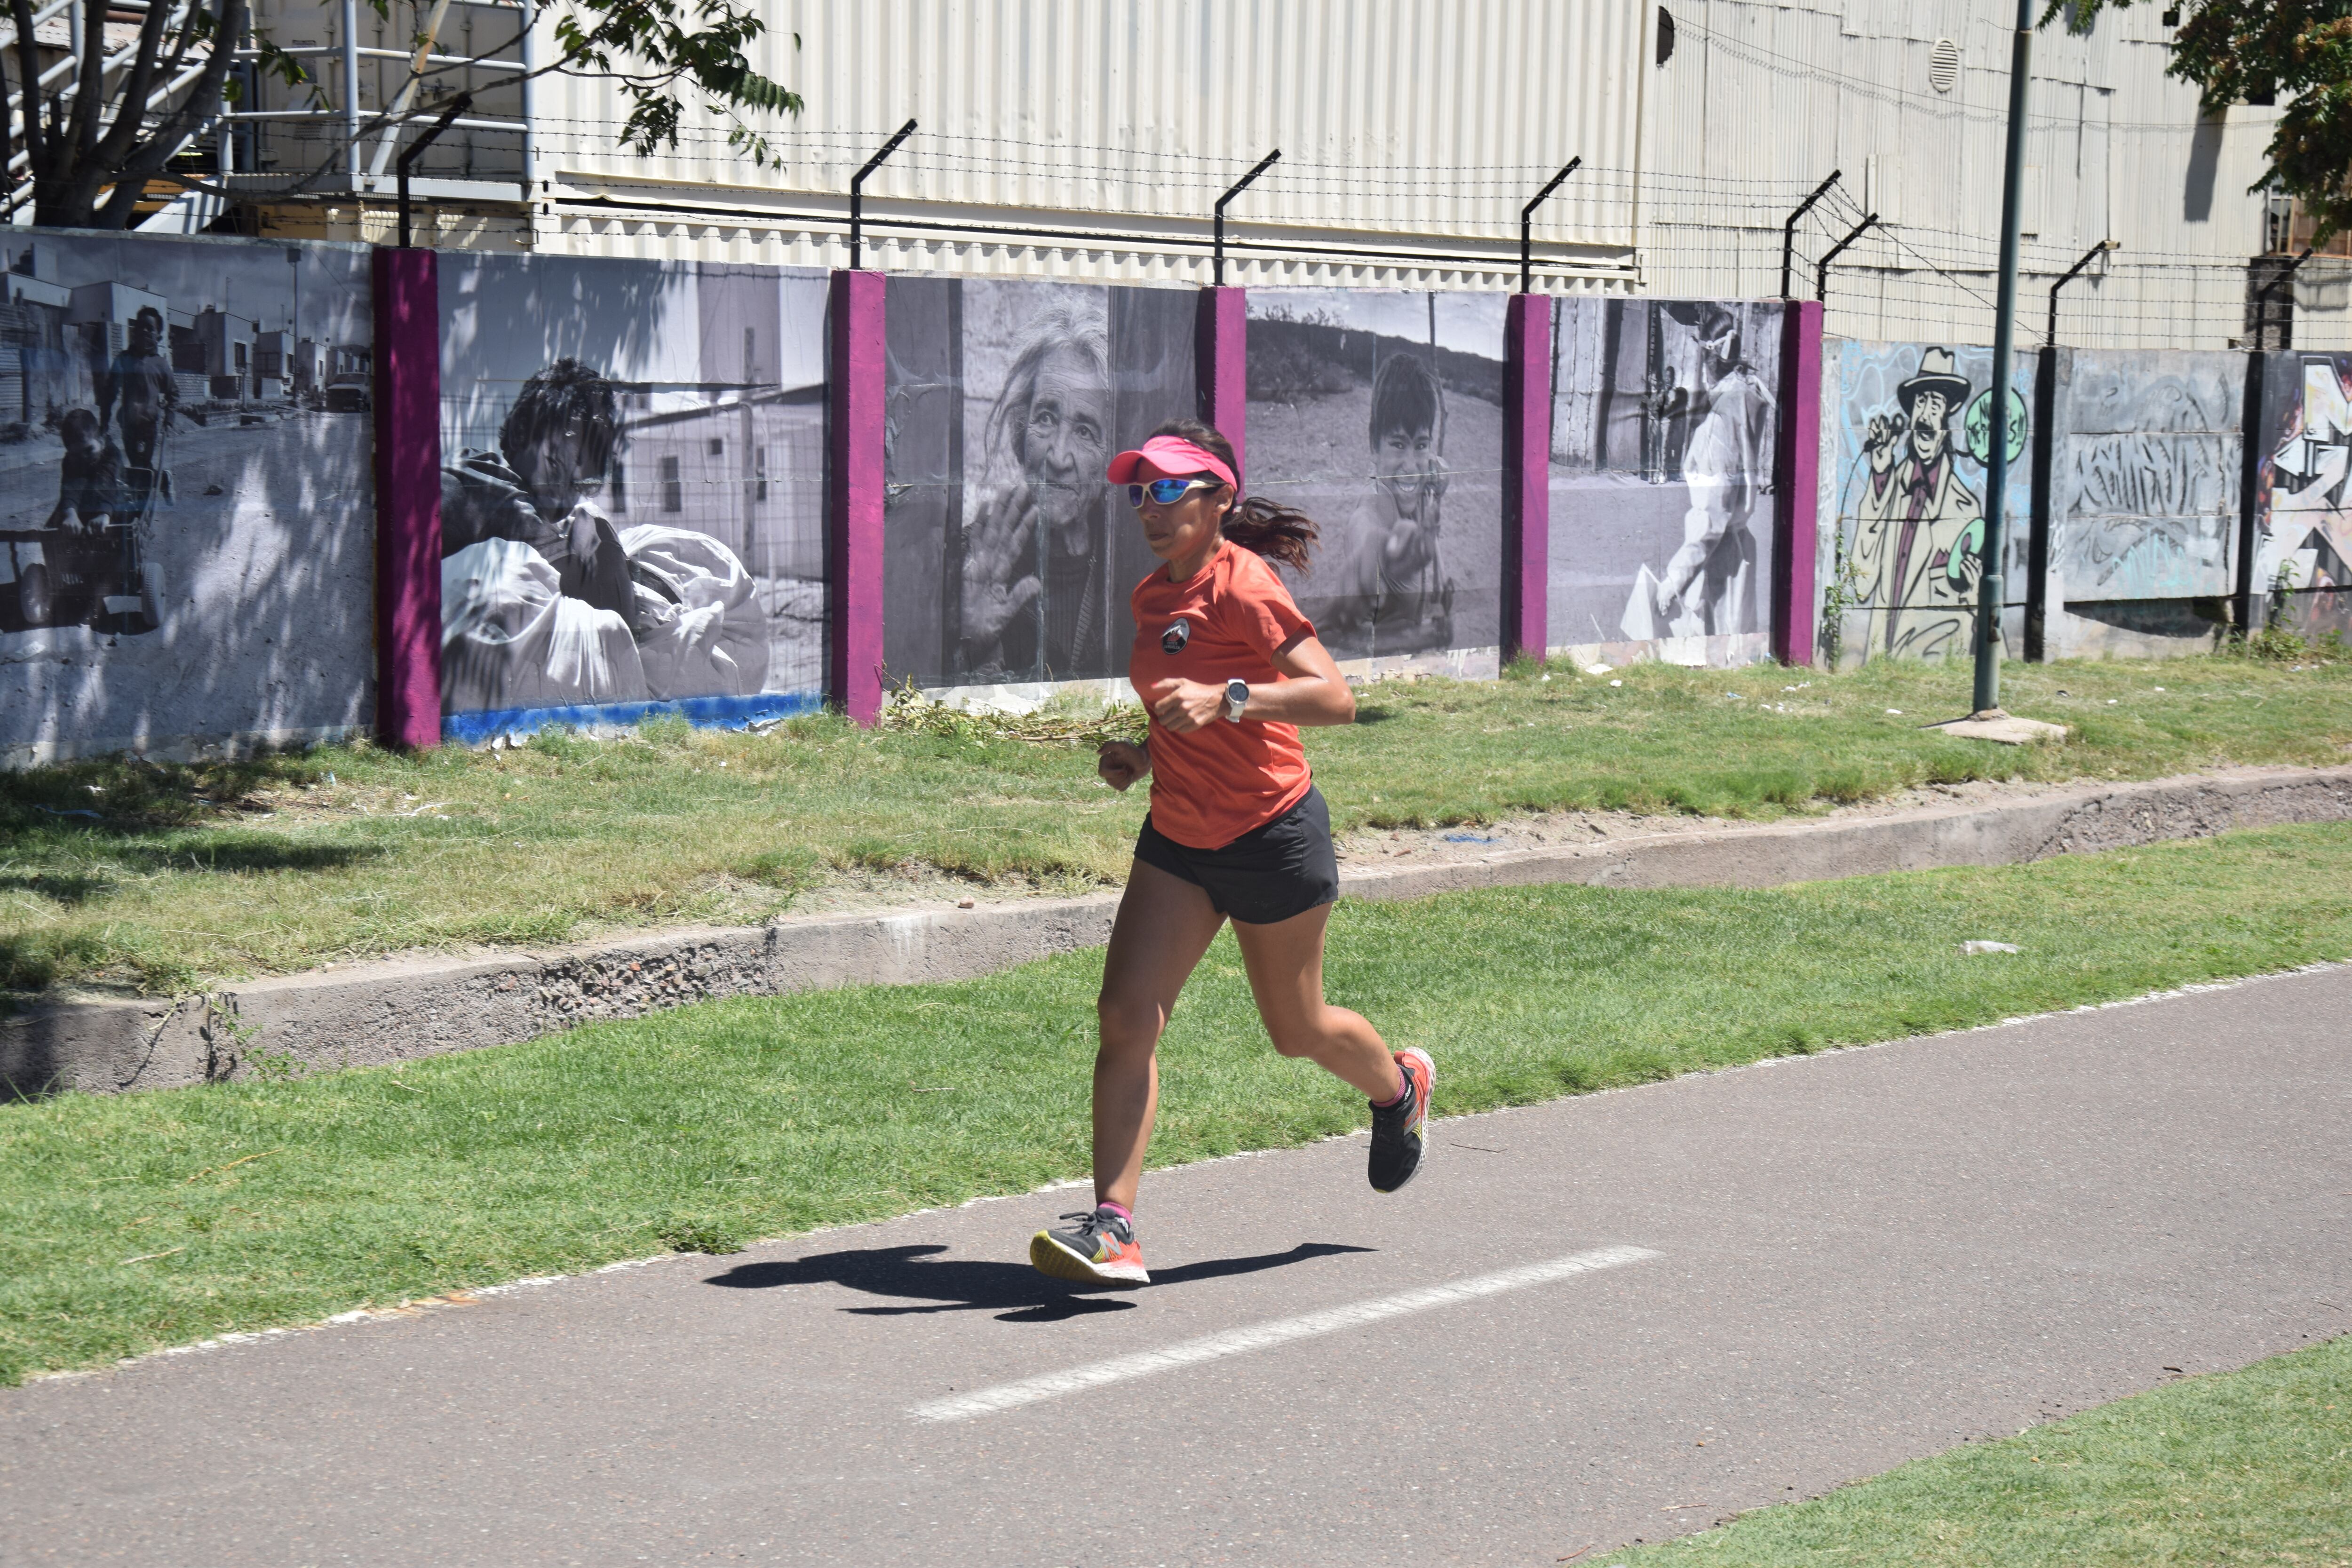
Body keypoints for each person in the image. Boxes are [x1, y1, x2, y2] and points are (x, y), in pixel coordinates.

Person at [1028, 418, 1434, 1288]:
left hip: (1271, 833)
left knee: (1299, 1031)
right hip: (1179, 832)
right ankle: (1114, 1228)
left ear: (1219, 497)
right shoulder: (1152, 594)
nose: (1150, 506)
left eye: (1171, 487)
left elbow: (1335, 698)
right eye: (1141, 491)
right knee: (1126, 1014)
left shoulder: (1244, 583)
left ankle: (1398, 1088)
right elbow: (1179, 698)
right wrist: (1144, 750)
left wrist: (1230, 699)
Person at [956, 307, 1116, 681]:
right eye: (1045, 417)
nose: (1058, 457)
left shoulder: (1133, 565)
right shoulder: (971, 560)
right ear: (1020, 430)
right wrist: (969, 640)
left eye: (1085, 431)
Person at [1312, 352, 1454, 657]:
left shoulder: (1419, 480)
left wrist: (1439, 472)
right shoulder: (1368, 517)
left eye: (1421, 445)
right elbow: (1368, 541)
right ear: (1373, 445)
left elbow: (1438, 470)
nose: (1411, 464)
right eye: (1398, 444)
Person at [97, 306, 177, 474]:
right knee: (136, 465)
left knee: (143, 465)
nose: (144, 331)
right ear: (134, 330)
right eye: (140, 326)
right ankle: (159, 483)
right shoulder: (124, 359)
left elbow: (173, 394)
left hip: (149, 426)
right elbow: (111, 391)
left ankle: (152, 488)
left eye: (150, 329)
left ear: (159, 337)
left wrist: (169, 420)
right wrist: (104, 420)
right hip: (128, 425)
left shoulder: (160, 364)